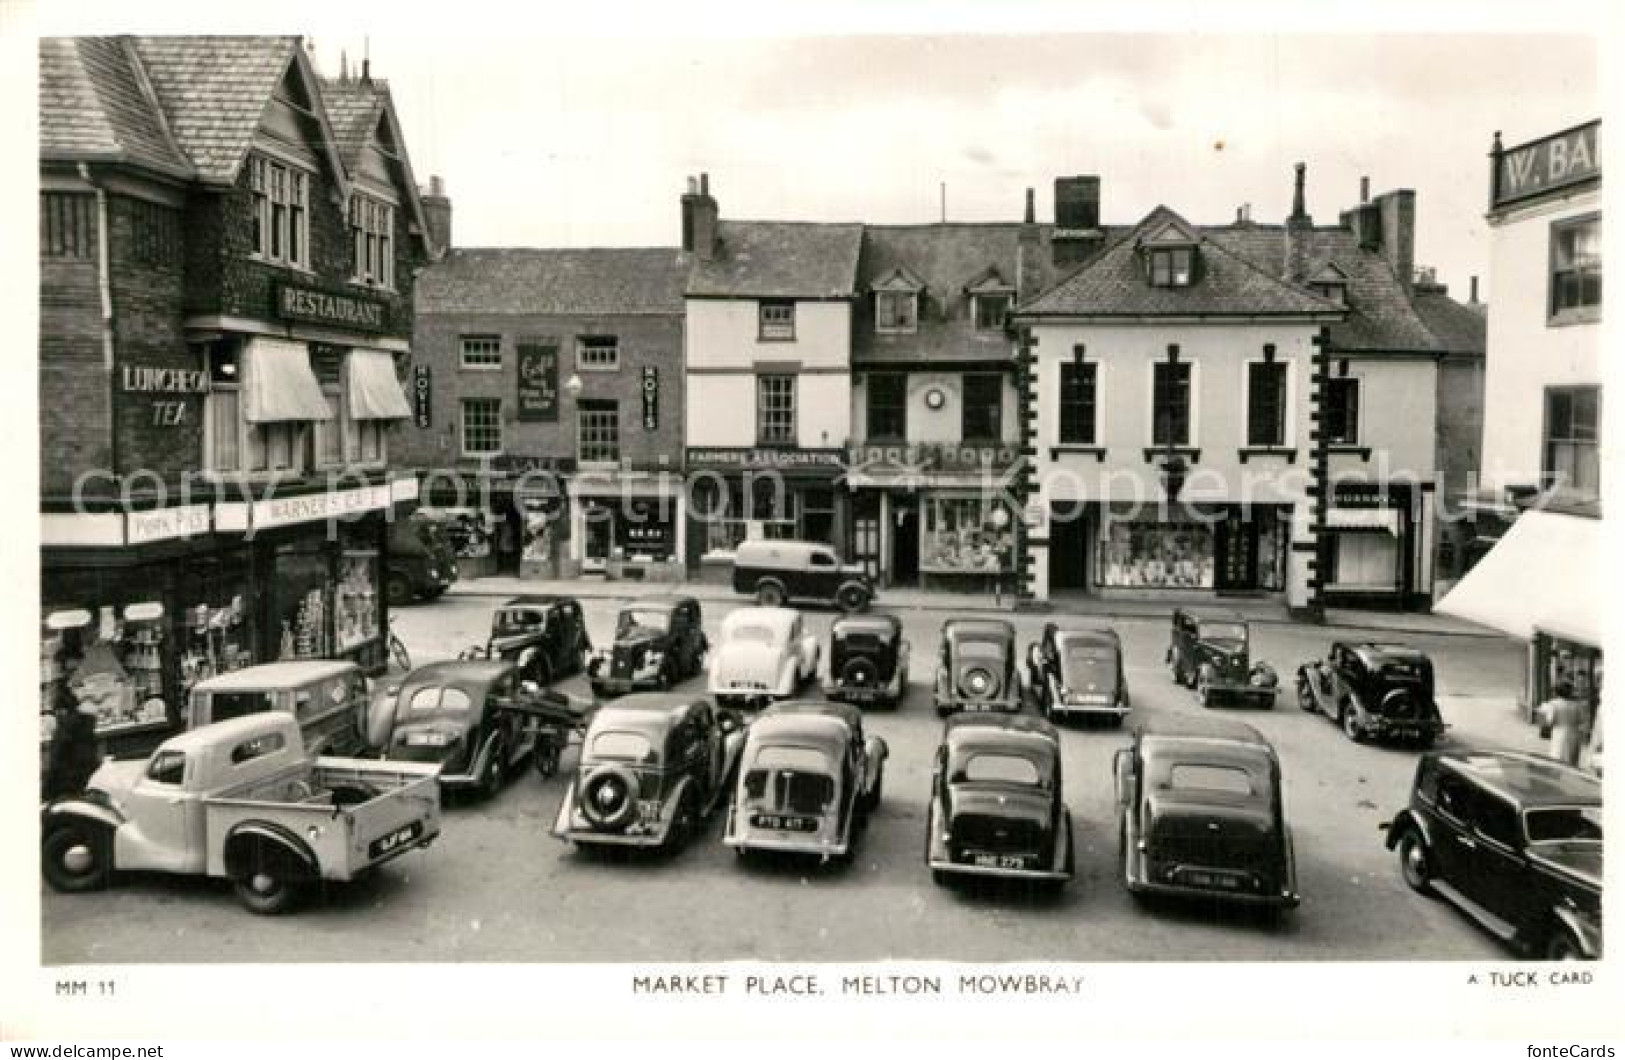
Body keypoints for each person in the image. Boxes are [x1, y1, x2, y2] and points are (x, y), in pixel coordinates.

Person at [43, 682, 102, 800]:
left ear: (61, 711)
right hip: (85, 783)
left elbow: (56, 760)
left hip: (66, 787)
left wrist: (46, 792)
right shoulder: (86, 724)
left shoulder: (64, 729)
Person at [1533, 682, 1590, 767]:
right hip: (1574, 734)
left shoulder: (1553, 704)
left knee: (1558, 759)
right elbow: (1583, 720)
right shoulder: (1577, 705)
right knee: (1572, 761)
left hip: (1559, 733)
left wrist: (1541, 712)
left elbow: (1549, 721)